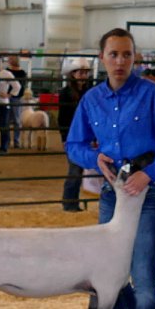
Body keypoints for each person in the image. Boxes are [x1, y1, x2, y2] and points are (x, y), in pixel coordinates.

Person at [63, 28, 155, 309]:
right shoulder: (91, 100)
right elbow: (73, 145)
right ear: (102, 58)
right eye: (113, 54)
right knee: (112, 276)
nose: (120, 61)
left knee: (143, 277)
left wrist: (151, 173)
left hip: (148, 193)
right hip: (110, 196)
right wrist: (94, 159)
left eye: (127, 55)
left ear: (135, 58)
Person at [58, 59, 95, 211]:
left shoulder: (91, 93)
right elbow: (63, 117)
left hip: (87, 134)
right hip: (74, 136)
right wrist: (65, 138)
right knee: (75, 169)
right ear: (73, 74)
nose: (83, 75)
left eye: (85, 72)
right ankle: (69, 201)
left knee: (80, 168)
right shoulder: (66, 94)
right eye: (80, 72)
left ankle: (71, 201)